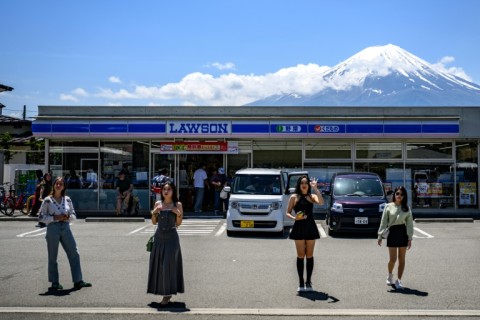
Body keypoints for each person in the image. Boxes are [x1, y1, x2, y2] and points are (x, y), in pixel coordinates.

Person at [38, 176, 92, 291]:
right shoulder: (48, 200)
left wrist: (68, 217)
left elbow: (73, 215)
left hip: (66, 227)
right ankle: (54, 282)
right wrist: (54, 217)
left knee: (74, 253)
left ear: (63, 187)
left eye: (61, 184)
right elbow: (41, 217)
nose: (58, 185)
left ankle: (78, 280)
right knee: (53, 256)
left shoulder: (67, 199)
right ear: (53, 185)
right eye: (56, 183)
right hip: (53, 228)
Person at [148, 181, 184, 305]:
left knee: (168, 265)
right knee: (159, 264)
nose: (166, 191)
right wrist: (154, 212)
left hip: (172, 237)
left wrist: (177, 213)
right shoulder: (158, 203)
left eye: (169, 189)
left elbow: (179, 223)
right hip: (159, 237)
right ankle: (163, 292)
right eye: (164, 189)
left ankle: (167, 295)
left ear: (173, 191)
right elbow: (153, 222)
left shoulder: (177, 204)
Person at [286, 175, 324, 292]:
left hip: (310, 227)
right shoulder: (294, 197)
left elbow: (321, 202)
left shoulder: (311, 196)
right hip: (299, 227)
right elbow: (287, 212)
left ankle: (308, 282)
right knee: (301, 256)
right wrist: (294, 218)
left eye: (306, 183)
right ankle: (301, 282)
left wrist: (316, 188)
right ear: (299, 185)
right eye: (302, 183)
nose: (304, 184)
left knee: (310, 256)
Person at [377, 186, 414, 290]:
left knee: (402, 259)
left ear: (404, 196)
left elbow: (410, 224)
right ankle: (389, 275)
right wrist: (380, 235)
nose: (399, 196)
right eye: (397, 193)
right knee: (392, 259)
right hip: (392, 233)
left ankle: (399, 281)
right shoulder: (388, 206)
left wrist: (410, 238)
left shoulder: (407, 208)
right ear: (394, 194)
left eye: (401, 194)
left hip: (403, 233)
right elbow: (383, 222)